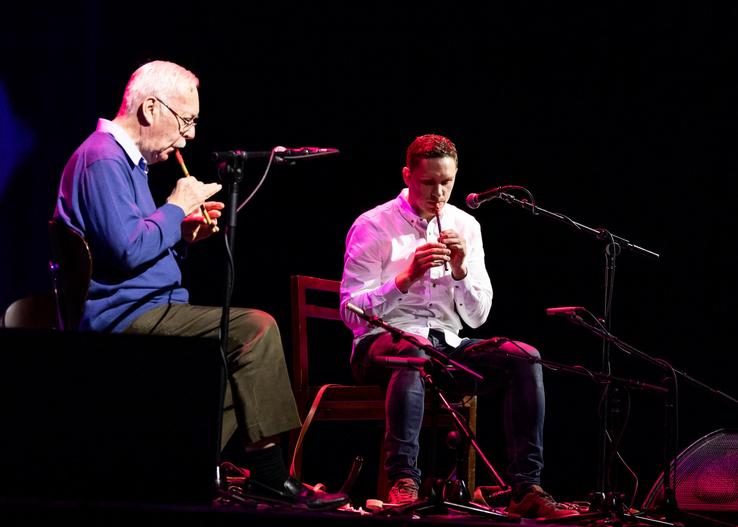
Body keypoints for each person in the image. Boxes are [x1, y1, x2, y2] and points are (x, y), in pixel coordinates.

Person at [53, 60, 346, 509]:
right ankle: (267, 473)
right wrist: (176, 205)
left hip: (146, 306)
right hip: (123, 317)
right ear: (151, 108)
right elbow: (127, 250)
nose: (189, 135)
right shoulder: (103, 158)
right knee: (255, 329)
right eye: (186, 121)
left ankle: (171, 466)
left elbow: (131, 244)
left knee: (228, 382)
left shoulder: (124, 162)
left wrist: (182, 233)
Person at [339, 133, 578, 520]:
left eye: (446, 182)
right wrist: (405, 279)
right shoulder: (374, 225)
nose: (438, 193)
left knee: (524, 357)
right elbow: (350, 313)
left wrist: (461, 269)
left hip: (446, 347)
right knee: (413, 351)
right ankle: (403, 481)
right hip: (381, 345)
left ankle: (526, 487)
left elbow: (477, 317)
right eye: (428, 182)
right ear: (408, 176)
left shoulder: (466, 225)